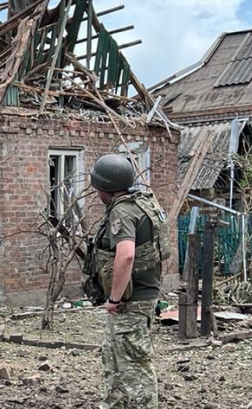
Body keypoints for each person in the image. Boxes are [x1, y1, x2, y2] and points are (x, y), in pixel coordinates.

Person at [87, 154, 168, 409]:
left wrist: (114, 297)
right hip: (132, 300)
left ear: (104, 188)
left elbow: (126, 255)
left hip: (131, 302)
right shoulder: (140, 204)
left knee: (135, 367)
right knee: (114, 361)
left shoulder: (122, 211)